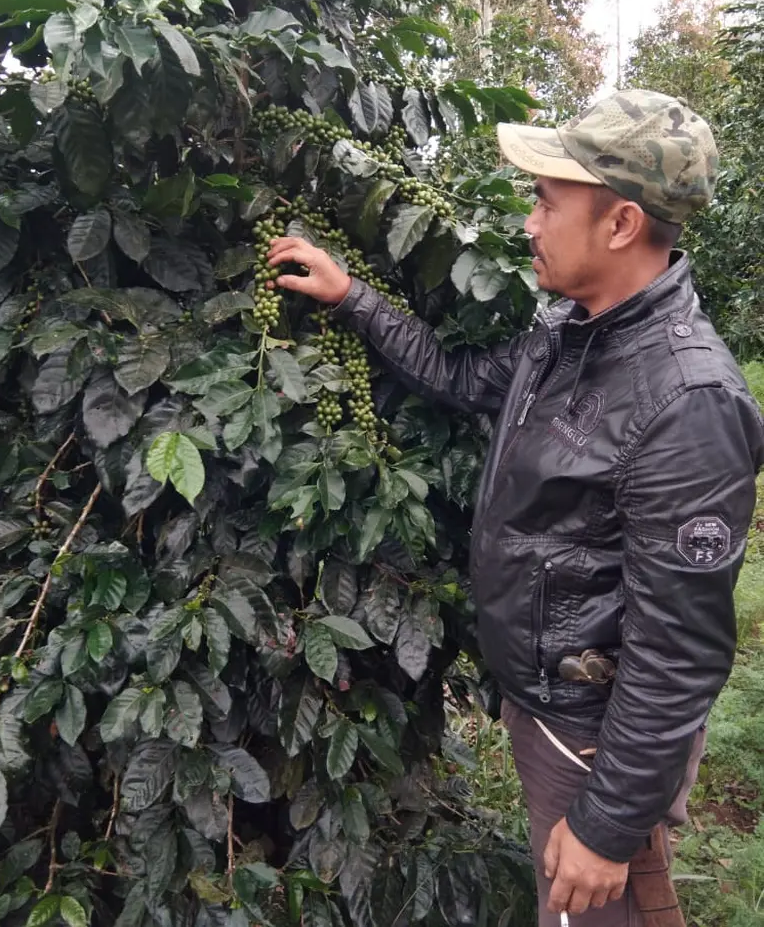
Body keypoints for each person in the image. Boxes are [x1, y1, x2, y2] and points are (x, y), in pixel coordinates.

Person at [267, 90, 764, 926]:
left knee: (590, 908)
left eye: (545, 201)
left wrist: (606, 825)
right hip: (548, 708)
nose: (529, 223)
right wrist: (352, 296)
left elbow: (679, 652)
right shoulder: (572, 332)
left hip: (594, 740)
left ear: (620, 225)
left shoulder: (688, 402)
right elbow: (466, 381)